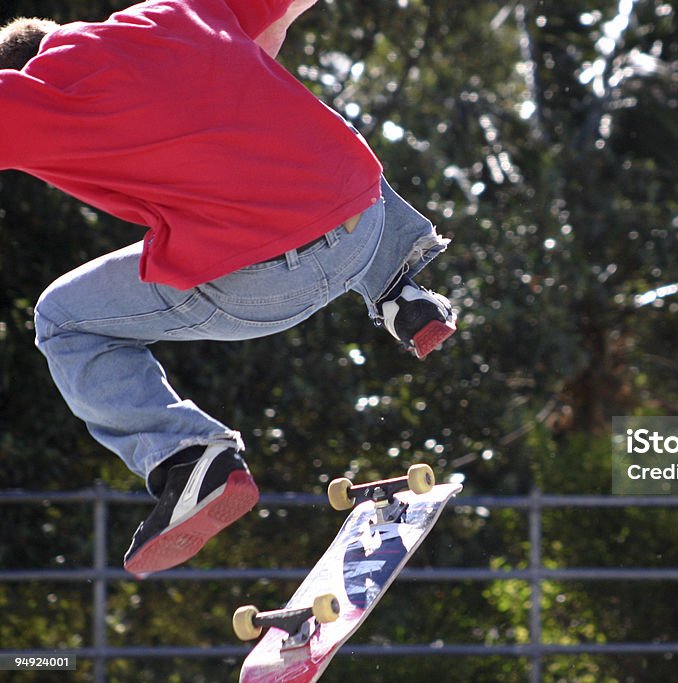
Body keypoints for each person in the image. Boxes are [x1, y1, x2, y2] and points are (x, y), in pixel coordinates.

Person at [0, 0, 457, 576]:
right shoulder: (175, 13)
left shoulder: (31, 93)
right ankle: (398, 289)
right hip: (365, 225)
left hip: (266, 277)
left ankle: (189, 456)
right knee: (299, 133)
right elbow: (285, 13)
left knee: (62, 318)